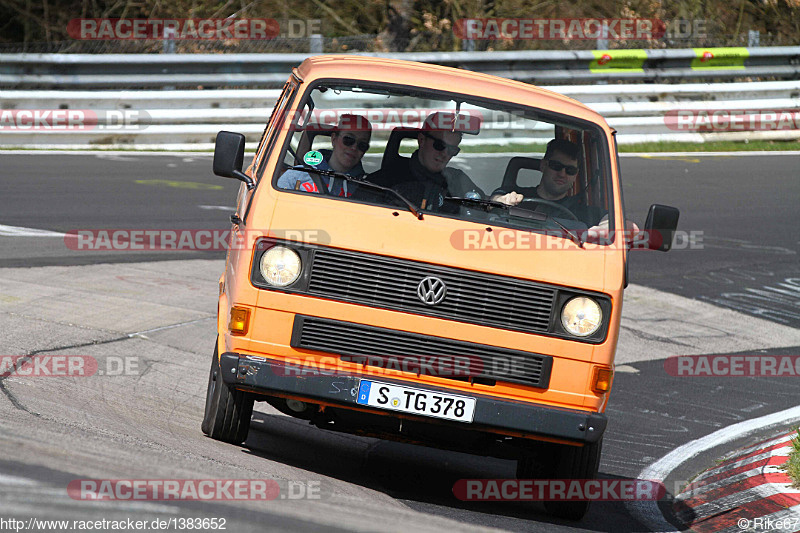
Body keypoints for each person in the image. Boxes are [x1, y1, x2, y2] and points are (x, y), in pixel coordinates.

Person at [360, 112, 485, 211]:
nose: (445, 154)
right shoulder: (384, 181)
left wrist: (498, 198)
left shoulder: (458, 180)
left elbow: (487, 206)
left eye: (452, 150)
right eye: (439, 145)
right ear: (421, 140)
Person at [491, 138, 604, 227]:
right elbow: (496, 197)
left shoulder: (579, 210)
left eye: (570, 170)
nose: (562, 174)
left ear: (575, 175)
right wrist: (500, 200)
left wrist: (605, 224)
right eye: (556, 166)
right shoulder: (517, 196)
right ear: (543, 166)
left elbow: (610, 218)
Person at [277, 114, 372, 197]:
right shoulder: (297, 175)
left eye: (362, 145)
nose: (354, 147)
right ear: (334, 139)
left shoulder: (369, 189)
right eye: (348, 140)